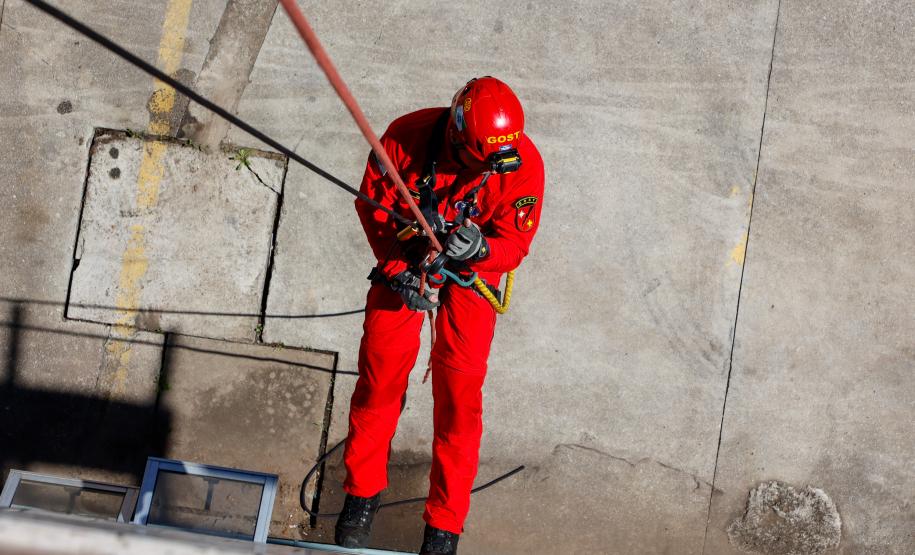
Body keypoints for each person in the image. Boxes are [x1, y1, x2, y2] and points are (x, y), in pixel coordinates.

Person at [335, 77, 544, 555]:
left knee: (460, 397)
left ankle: (444, 524)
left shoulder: (521, 163)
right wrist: (398, 269)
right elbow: (374, 209)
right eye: (478, 163)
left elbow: (516, 244)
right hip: (406, 263)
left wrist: (484, 248)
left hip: (471, 275)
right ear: (455, 134)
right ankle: (362, 493)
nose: (486, 172)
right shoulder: (403, 140)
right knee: (380, 377)